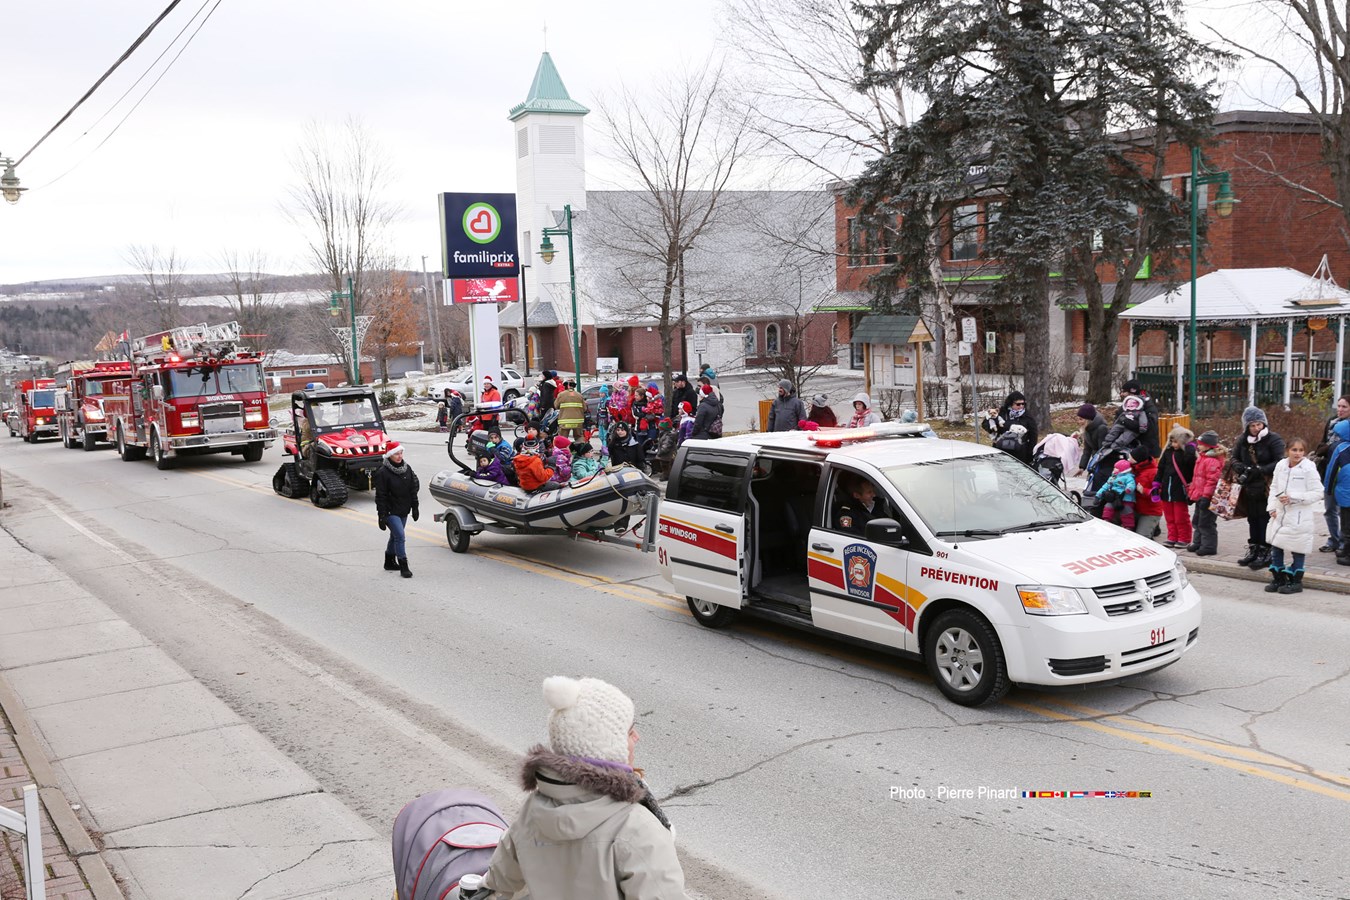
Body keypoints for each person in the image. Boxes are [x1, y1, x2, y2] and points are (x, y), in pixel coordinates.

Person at [482, 676, 690, 900]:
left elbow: (498, 881)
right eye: (630, 732)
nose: (637, 737)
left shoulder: (532, 812)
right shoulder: (635, 827)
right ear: (609, 749)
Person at [1232, 406, 1286, 571]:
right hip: (1249, 486)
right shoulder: (1242, 440)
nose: (1256, 428)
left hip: (1265, 486)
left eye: (1259, 424)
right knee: (1252, 519)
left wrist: (1261, 469)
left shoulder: (1273, 439)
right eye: (1252, 425)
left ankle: (1265, 551)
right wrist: (1241, 467)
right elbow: (1234, 458)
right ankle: (1254, 548)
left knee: (1264, 519)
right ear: (1247, 426)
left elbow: (1280, 461)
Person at [1265, 437, 1321, 594]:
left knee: (1297, 548)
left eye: (1301, 450)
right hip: (1280, 515)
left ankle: (1296, 582)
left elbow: (1318, 492)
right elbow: (1274, 487)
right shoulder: (1281, 466)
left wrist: (1294, 497)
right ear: (1287, 451)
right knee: (1276, 546)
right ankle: (1278, 578)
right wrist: (1271, 508)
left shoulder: (1308, 468)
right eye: (1294, 450)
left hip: (1299, 517)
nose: (1297, 453)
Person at [375, 443, 419, 578]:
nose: (399, 456)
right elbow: (380, 495)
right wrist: (381, 515)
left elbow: (413, 489)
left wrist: (415, 506)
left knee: (395, 536)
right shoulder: (383, 472)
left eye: (401, 453)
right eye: (396, 453)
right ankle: (404, 565)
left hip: (403, 508)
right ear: (389, 455)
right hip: (390, 510)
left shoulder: (407, 469)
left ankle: (389, 561)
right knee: (400, 536)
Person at [1313, 395, 1350, 553]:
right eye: (1339, 406)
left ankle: (1344, 542)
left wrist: (1332, 448)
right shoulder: (1332, 422)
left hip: (1345, 474)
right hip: (1329, 470)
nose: (1340, 410)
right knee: (1329, 508)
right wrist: (1328, 448)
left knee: (1345, 511)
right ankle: (1333, 540)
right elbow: (1322, 444)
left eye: (1344, 407)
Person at [1156, 425, 1196, 548]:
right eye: (1172, 441)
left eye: (1176, 441)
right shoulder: (1167, 453)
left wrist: (1190, 449)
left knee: (1181, 516)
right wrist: (1156, 483)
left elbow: (1191, 465)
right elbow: (1160, 469)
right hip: (1166, 489)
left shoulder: (1186, 454)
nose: (1174, 444)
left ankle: (1184, 538)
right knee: (1169, 516)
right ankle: (1172, 537)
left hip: (1180, 490)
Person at [1188, 431, 1226, 556]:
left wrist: (1206, 496)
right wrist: (1191, 493)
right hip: (1199, 496)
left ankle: (1209, 546)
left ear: (1208, 445)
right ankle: (1198, 542)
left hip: (1207, 497)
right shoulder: (1203, 457)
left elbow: (1212, 481)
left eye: (1200, 444)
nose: (1198, 446)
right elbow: (1196, 478)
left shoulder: (1212, 461)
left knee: (1206, 523)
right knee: (1197, 520)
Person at [982, 391, 1036, 464]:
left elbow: (1033, 436)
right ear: (1010, 403)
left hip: (1020, 451)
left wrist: (1030, 454)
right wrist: (997, 427)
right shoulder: (1001, 412)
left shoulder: (1027, 416)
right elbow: (985, 424)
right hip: (1001, 448)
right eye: (1018, 404)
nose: (1021, 406)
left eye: (1023, 404)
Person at [1324, 418, 1350, 567]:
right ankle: (1345, 549)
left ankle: (1347, 552)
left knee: (1347, 525)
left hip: (1346, 495)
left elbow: (1331, 470)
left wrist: (1328, 489)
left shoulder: (1340, 448)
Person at [1119, 378, 1161, 459]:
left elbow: (1149, 427)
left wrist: (1126, 422)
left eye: (1124, 392)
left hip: (1146, 451)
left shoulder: (1148, 406)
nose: (1122, 394)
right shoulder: (1123, 408)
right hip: (1128, 449)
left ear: (1132, 392)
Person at [1130, 448, 1162, 540]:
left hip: (1150, 511)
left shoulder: (1154, 472)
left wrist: (1144, 491)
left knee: (1142, 538)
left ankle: (1151, 528)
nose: (1128, 459)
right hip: (1136, 508)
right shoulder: (1133, 468)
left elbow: (1160, 492)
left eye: (1130, 457)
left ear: (1137, 460)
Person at [1096, 458, 1137, 530]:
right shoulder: (1112, 477)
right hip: (1114, 497)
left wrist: (1129, 489)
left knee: (1127, 511)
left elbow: (1131, 484)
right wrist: (1098, 494)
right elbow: (1105, 486)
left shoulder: (1128, 477)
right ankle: (1106, 520)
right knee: (1108, 507)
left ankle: (1128, 526)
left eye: (1116, 468)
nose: (1114, 469)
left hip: (1125, 498)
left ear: (1122, 470)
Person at [1076, 403, 1108, 473]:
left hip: (1104, 464)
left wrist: (1094, 466)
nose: (1078, 422)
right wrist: (1082, 467)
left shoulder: (1102, 429)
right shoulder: (1087, 429)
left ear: (1088, 419)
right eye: (1078, 419)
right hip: (1095, 461)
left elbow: (1102, 451)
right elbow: (1087, 450)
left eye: (1081, 419)